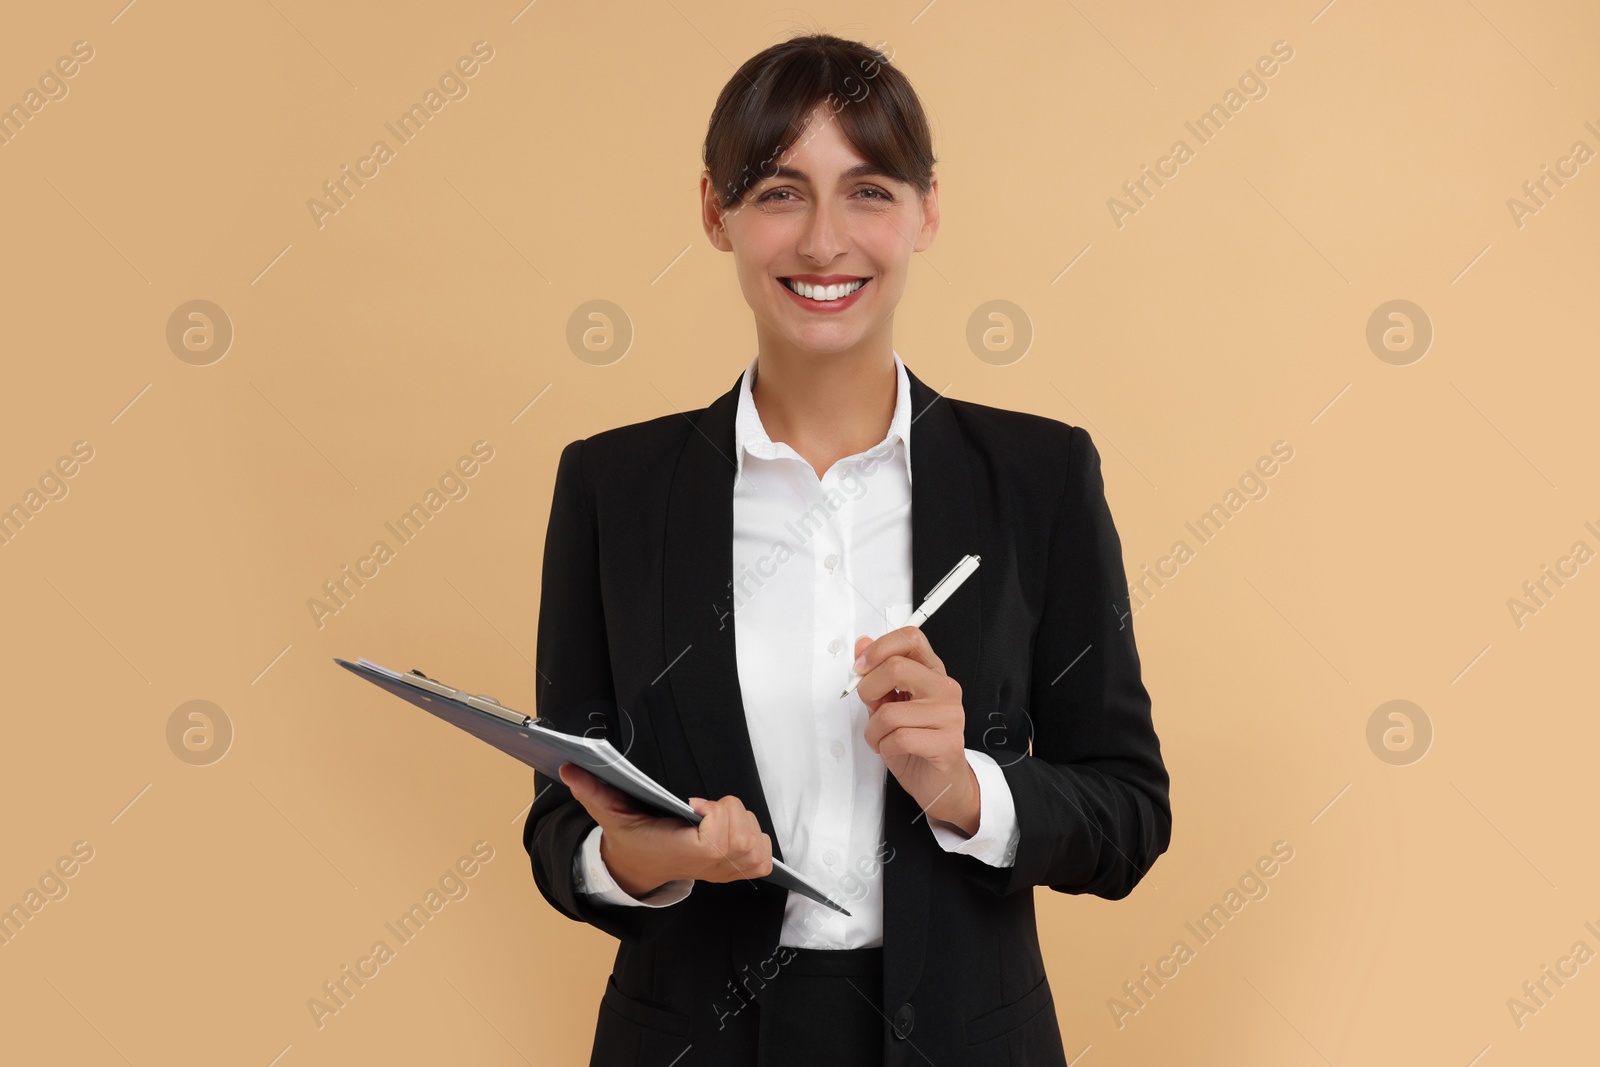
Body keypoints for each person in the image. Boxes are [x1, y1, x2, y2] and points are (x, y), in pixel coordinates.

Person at [523, 32, 1171, 1067]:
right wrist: (646, 854)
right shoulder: (614, 488)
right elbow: (560, 828)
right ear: (713, 211)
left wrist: (967, 786)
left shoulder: (1037, 478)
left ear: (926, 210)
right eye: (780, 192)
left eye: (867, 191)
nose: (825, 241)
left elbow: (1128, 815)